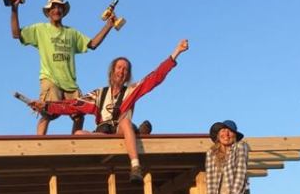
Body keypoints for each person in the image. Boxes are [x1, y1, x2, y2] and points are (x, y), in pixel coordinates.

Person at [34, 39, 190, 182]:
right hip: (103, 132)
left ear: (127, 75)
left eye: (125, 70)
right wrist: (46, 106)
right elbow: (73, 105)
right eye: (119, 68)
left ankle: (135, 166)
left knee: (125, 122)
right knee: (78, 134)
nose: (121, 71)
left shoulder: (130, 91)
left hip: (120, 129)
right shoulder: (99, 94)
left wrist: (176, 52)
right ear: (112, 71)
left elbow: (154, 78)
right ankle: (137, 134)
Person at [11, 0, 115, 135]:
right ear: (48, 12)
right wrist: (14, 9)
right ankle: (38, 142)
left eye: (59, 7)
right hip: (50, 79)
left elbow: (92, 44)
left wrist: (108, 26)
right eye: (53, 7)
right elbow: (16, 34)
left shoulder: (71, 33)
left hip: (70, 83)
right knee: (47, 111)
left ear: (64, 11)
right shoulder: (40, 29)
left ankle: (76, 143)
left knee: (79, 114)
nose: (56, 10)